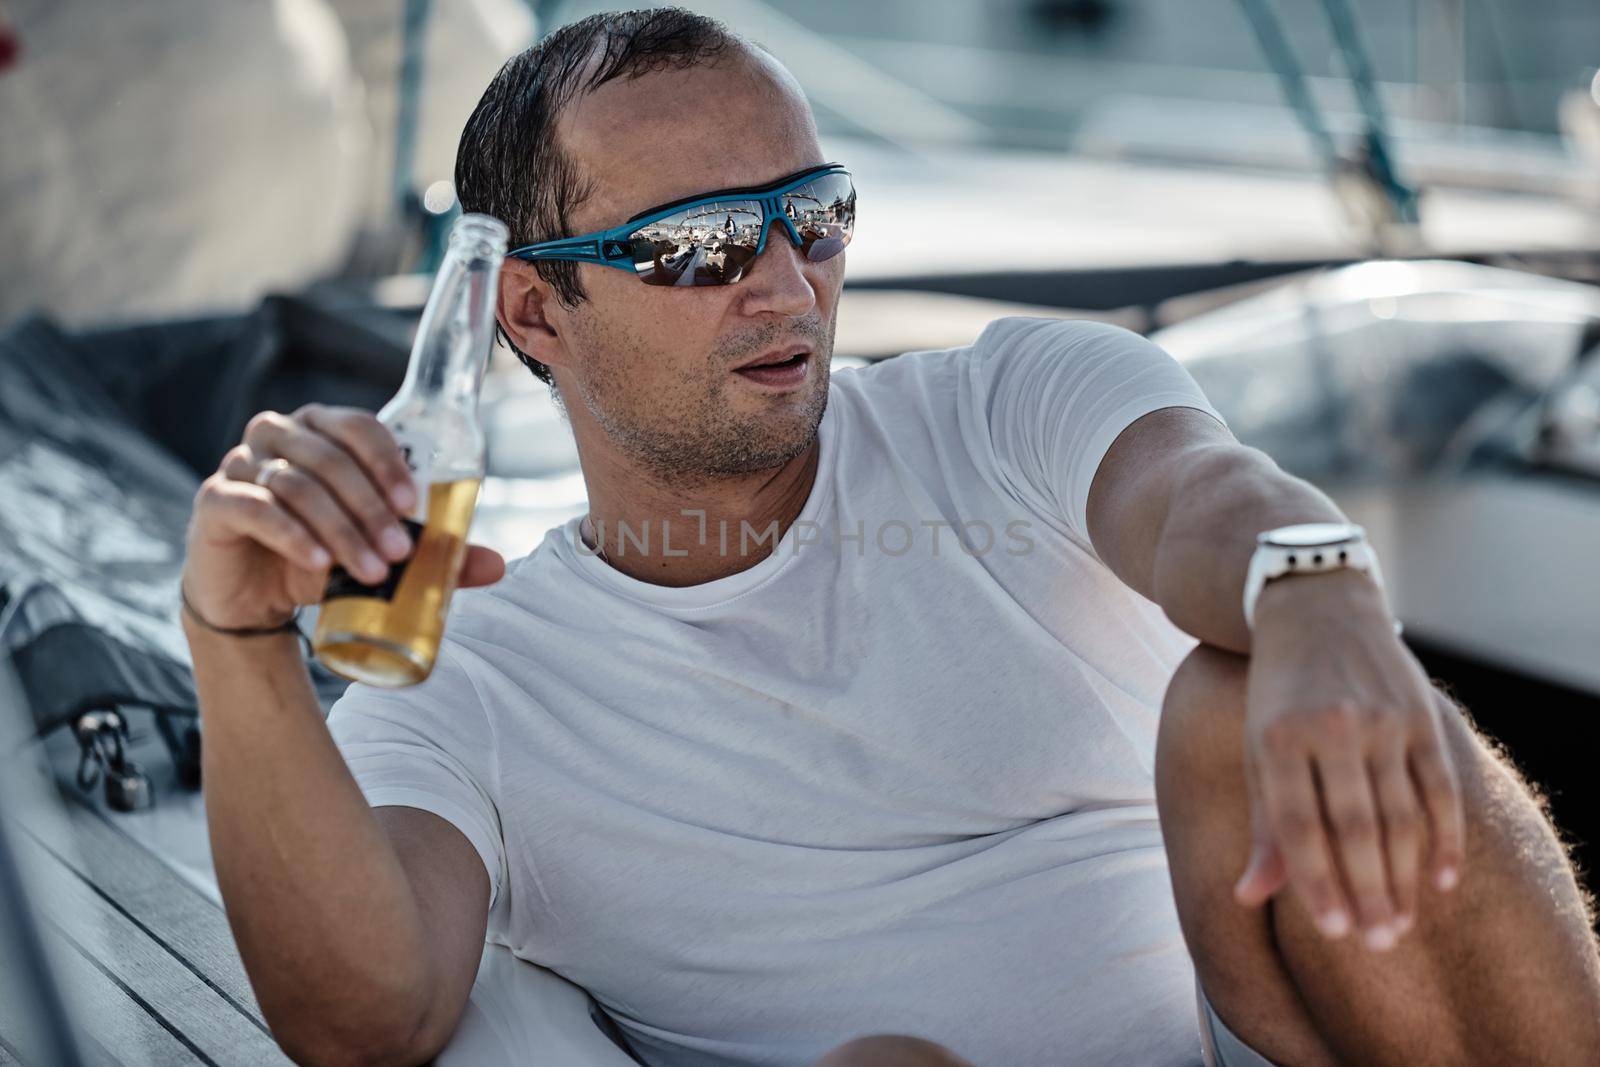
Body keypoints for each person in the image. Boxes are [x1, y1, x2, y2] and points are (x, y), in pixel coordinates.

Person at [177, 8, 1600, 1067]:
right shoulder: (471, 683)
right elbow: (363, 1014)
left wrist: (1325, 594)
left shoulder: (1010, 404)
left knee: (1262, 684)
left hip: (1261, 1035)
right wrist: (237, 643)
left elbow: (1206, 500)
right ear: (534, 313)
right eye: (700, 247)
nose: (787, 281)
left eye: (816, 216)